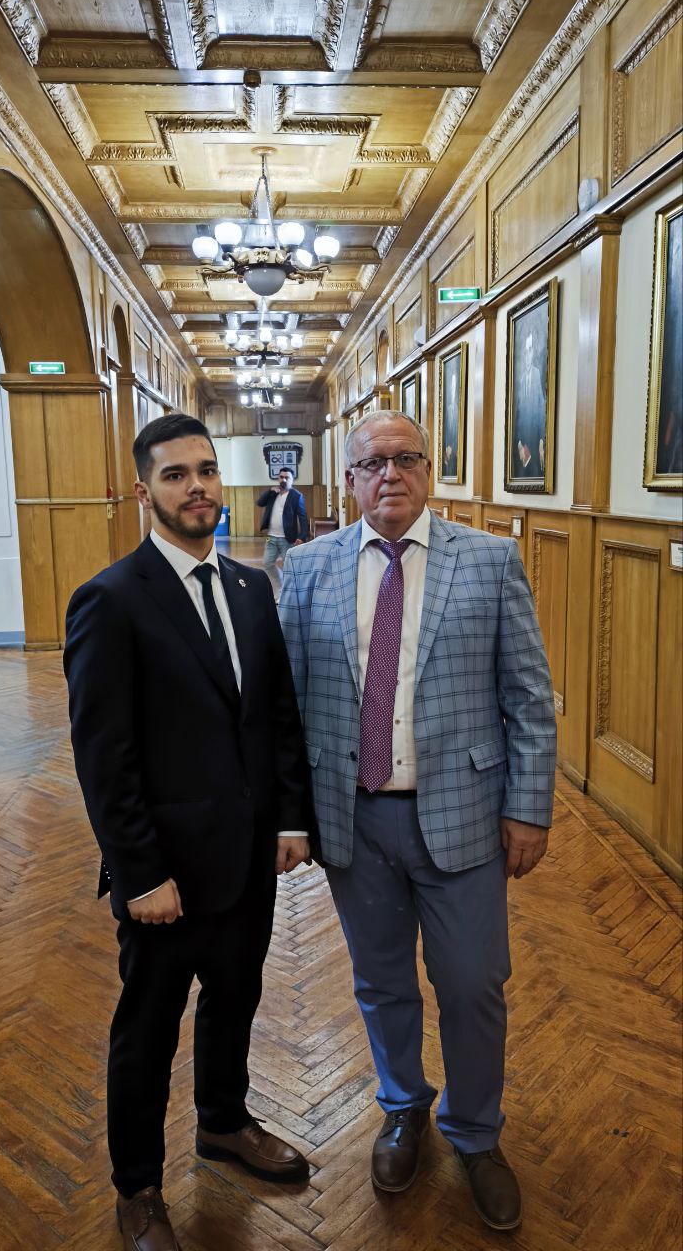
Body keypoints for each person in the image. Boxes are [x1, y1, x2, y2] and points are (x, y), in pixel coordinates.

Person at [279, 410, 556, 1232]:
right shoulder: (308, 567)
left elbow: (529, 697)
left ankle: (476, 1133)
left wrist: (528, 808)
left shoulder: (490, 560)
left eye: (405, 459)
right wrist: (289, 816)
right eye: (372, 463)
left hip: (465, 815)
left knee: (473, 984)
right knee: (381, 981)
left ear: (429, 471)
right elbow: (284, 708)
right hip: (352, 819)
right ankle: (403, 1107)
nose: (390, 475)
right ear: (350, 480)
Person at [64, 413, 314, 1251]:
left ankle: (223, 1122)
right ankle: (137, 1186)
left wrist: (289, 817)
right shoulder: (110, 600)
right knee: (147, 1030)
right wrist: (139, 873)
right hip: (164, 873)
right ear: (145, 491)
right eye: (175, 475)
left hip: (248, 857)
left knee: (235, 999)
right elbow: (105, 758)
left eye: (205, 470)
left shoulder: (249, 587)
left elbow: (275, 714)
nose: (196, 486)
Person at [257, 468, 309, 597]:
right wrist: (269, 491)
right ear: (278, 479)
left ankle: (290, 594)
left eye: (287, 477)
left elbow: (303, 517)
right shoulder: (273, 493)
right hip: (271, 537)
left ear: (292, 480)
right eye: (281, 477)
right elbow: (260, 503)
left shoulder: (296, 496)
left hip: (287, 539)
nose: (283, 479)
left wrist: (302, 536)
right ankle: (280, 588)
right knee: (267, 564)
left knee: (289, 568)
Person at [514, 331, 546, 478]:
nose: (527, 355)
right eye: (525, 351)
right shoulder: (521, 380)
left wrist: (541, 442)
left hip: (535, 443)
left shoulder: (537, 374)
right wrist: (519, 444)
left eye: (530, 350)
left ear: (533, 353)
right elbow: (518, 417)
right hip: (523, 448)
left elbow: (541, 411)